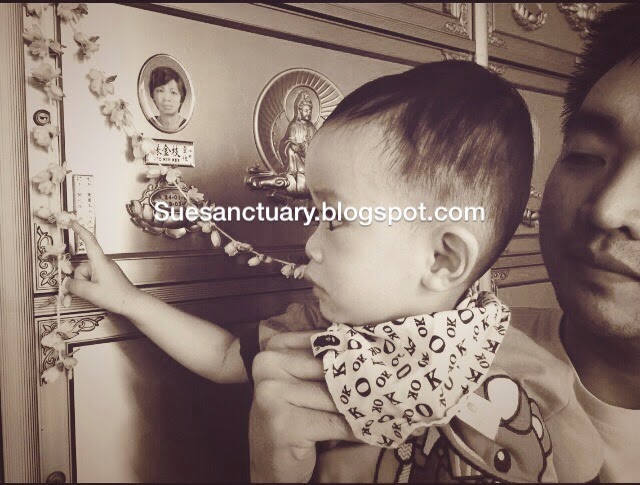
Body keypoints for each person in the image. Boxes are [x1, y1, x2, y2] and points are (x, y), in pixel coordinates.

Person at [67, 60, 538, 482]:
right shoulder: (315, 329)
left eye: (335, 218)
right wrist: (129, 300)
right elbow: (225, 355)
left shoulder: (523, 378)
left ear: (441, 260)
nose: (311, 243)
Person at [249, 3, 640, 482]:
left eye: (336, 217)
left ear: (445, 257)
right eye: (586, 155)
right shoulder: (331, 344)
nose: (609, 209)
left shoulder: (515, 372)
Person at [278, 90, 316, 175]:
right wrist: (297, 147)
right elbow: (289, 142)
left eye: (310, 111)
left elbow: (317, 143)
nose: (308, 113)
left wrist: (309, 146)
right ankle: (293, 171)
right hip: (298, 158)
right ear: (300, 111)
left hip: (310, 158)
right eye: (306, 111)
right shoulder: (294, 126)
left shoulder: (312, 127)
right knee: (290, 149)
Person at [148, 66, 187, 132]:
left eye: (173, 92)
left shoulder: (188, 126)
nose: (166, 98)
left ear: (181, 98)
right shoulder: (147, 125)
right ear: (153, 95)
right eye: (160, 91)